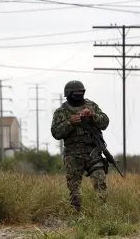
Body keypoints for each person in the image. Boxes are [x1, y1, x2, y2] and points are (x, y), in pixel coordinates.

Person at [50, 80, 110, 212]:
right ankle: (76, 214)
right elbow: (56, 133)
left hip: (93, 152)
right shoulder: (61, 112)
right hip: (73, 154)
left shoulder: (91, 105)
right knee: (74, 187)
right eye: (75, 93)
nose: (78, 95)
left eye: (80, 93)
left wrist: (92, 115)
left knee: (100, 181)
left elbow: (105, 122)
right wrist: (70, 122)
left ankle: (103, 213)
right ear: (68, 94)